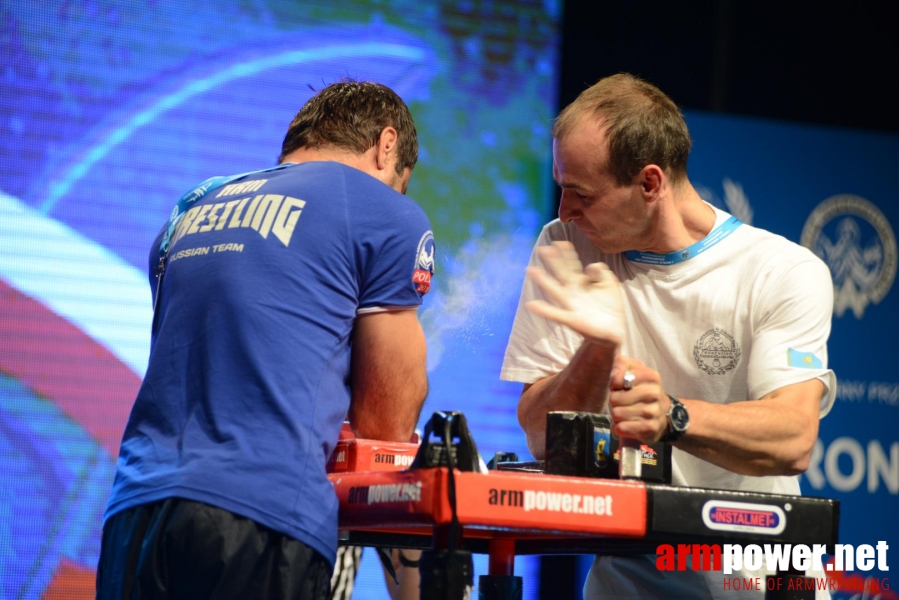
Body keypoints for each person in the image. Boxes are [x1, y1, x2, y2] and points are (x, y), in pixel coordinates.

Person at [501, 73, 836, 599]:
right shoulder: (568, 244)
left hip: (758, 581)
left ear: (650, 184)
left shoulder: (782, 270)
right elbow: (542, 438)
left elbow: (793, 437)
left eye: (581, 193)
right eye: (562, 186)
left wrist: (673, 416)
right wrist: (598, 347)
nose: (564, 209)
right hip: (629, 580)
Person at [97, 80, 433, 599]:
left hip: (135, 514)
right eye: (401, 183)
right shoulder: (379, 207)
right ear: (387, 146)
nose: (399, 197)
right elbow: (384, 424)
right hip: (260, 517)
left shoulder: (192, 207)